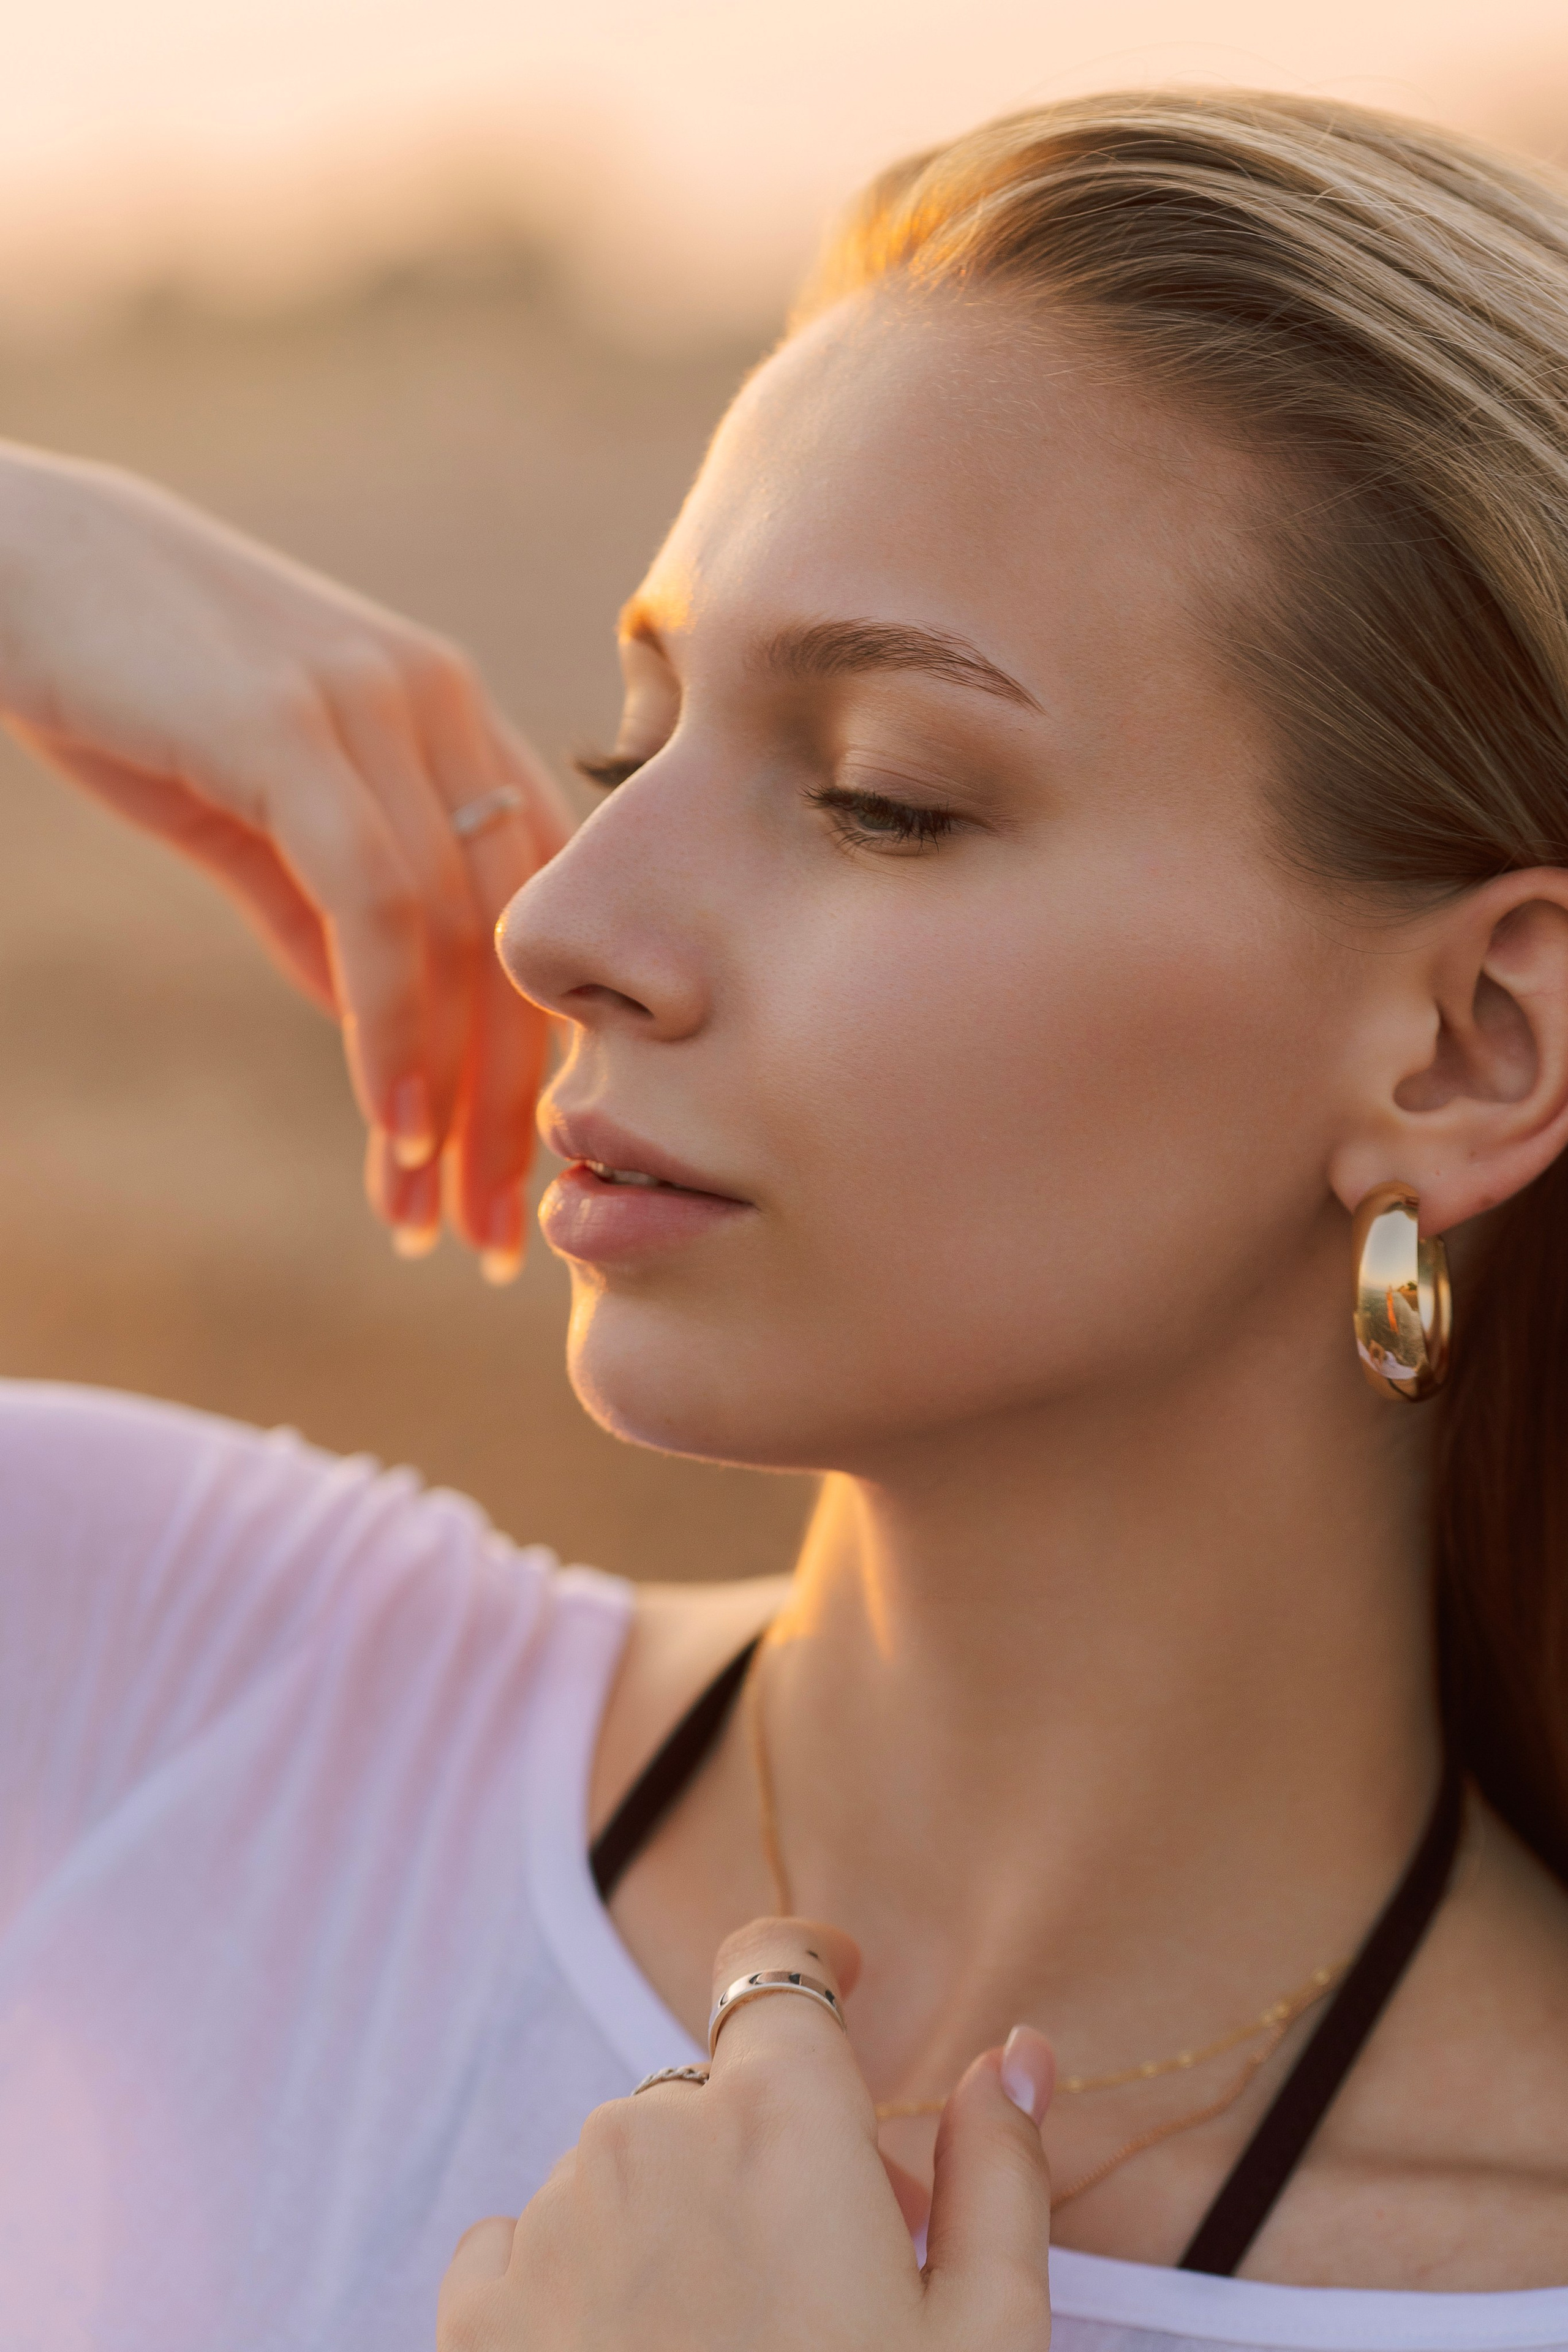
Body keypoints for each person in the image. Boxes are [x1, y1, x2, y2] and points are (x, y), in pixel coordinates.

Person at [5, 83, 1568, 2352]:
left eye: (882, 803)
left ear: (1467, 1050)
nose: (569, 915)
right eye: (633, 743)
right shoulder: (145, 1685)